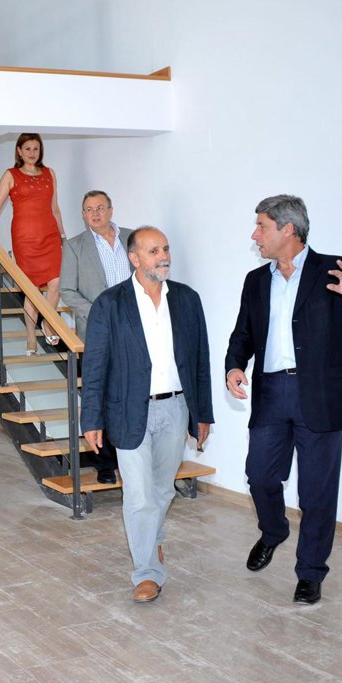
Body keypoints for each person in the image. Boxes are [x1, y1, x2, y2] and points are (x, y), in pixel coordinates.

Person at [225, 195, 342, 605]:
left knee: (316, 492)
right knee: (260, 476)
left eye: (261, 226)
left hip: (321, 396)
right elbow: (243, 333)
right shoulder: (256, 281)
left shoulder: (333, 269)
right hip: (271, 393)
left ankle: (311, 572)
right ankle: (274, 530)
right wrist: (234, 366)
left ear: (288, 230)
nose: (254, 235)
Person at [80, 227, 213, 604]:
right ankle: (147, 573)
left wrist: (203, 413)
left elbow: (200, 359)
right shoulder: (110, 303)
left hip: (176, 407)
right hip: (127, 409)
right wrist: (92, 418)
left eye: (165, 249)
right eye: (153, 251)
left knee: (162, 489)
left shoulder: (187, 299)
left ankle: (151, 539)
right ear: (134, 259)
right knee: (138, 495)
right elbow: (95, 365)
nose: (163, 256)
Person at [59, 190, 133, 484]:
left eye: (100, 208)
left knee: (130, 394)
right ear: (83, 215)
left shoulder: (132, 238)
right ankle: (104, 464)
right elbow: (67, 290)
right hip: (97, 333)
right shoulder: (75, 246)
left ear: (111, 210)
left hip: (134, 330)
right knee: (98, 397)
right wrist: (100, 315)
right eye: (89, 210)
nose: (95, 214)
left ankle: (131, 458)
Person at [0, 133, 67, 354]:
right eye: (27, 149)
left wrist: (63, 236)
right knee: (31, 288)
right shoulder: (11, 175)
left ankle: (48, 323)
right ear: (19, 151)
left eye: (36, 148)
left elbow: (55, 208)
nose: (32, 153)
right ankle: (30, 336)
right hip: (25, 238)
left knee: (56, 282)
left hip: (50, 235)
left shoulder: (50, 173)